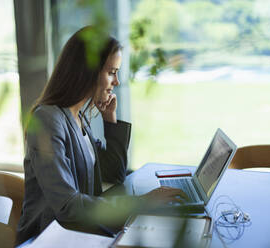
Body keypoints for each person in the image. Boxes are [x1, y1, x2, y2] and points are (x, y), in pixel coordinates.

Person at [16, 26, 187, 245]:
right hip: (49, 237)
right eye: (111, 72)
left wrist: (110, 120)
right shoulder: (48, 120)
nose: (116, 81)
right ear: (87, 72)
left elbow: (113, 175)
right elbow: (68, 207)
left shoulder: (78, 116)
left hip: (79, 230)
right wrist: (141, 203)